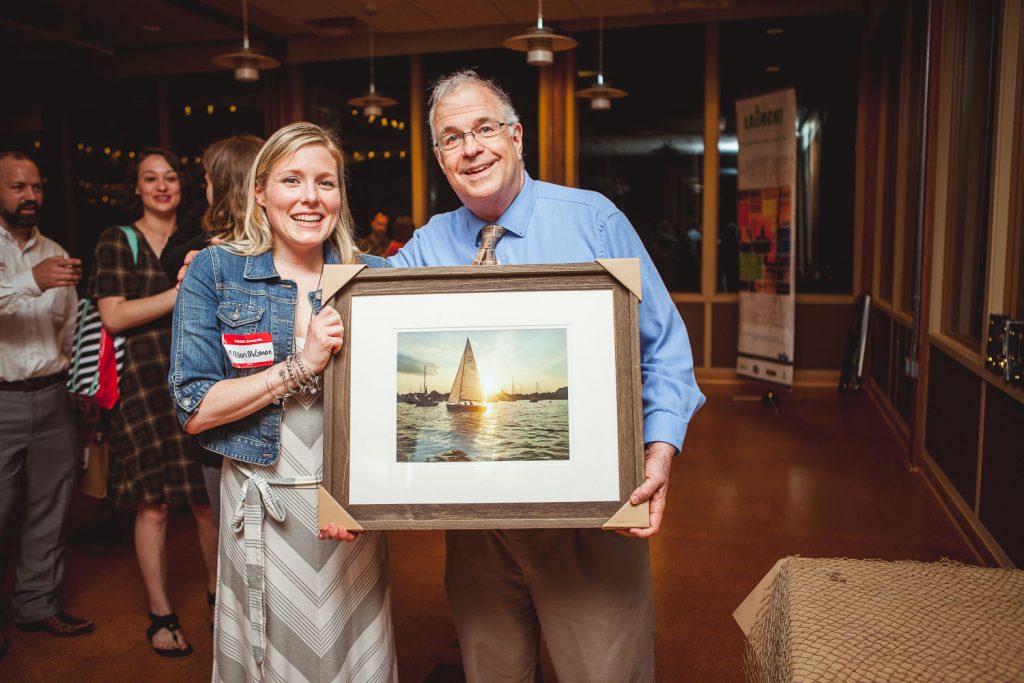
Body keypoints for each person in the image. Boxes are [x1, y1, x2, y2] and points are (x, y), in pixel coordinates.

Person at [390, 70, 706, 682]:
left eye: (484, 128)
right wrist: (240, 261)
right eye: (452, 138)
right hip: (476, 529)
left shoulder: (593, 220)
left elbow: (664, 347)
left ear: (516, 136)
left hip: (588, 517)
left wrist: (660, 452)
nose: (471, 147)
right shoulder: (430, 244)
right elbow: (357, 303)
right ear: (439, 157)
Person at [170, 122, 397, 681]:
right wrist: (301, 364)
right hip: (259, 506)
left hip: (344, 508)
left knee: (351, 655)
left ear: (341, 196)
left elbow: (397, 410)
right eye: (292, 180)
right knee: (266, 658)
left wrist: (371, 495)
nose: (310, 197)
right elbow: (195, 408)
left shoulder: (373, 277)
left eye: (326, 182)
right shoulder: (215, 271)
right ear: (260, 192)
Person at [88, 148, 217, 657]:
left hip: (200, 378)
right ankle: (161, 614)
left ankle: (218, 601)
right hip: (143, 385)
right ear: (135, 188)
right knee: (155, 505)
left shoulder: (198, 234)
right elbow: (115, 317)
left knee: (207, 505)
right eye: (149, 178)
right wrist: (185, 290)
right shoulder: (118, 241)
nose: (162, 186)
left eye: (170, 177)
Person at [0, 151, 93, 658]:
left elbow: (70, 326)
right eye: (17, 187)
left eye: (35, 187)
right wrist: (31, 279)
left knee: (50, 508)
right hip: (2, 399)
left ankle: (36, 604)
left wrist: (79, 387)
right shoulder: (37, 263)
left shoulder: (54, 248)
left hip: (53, 394)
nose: (29, 196)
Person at [160, 134, 265, 524]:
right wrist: (206, 248)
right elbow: (170, 255)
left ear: (220, 185)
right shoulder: (206, 246)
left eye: (206, 180)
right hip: (218, 405)